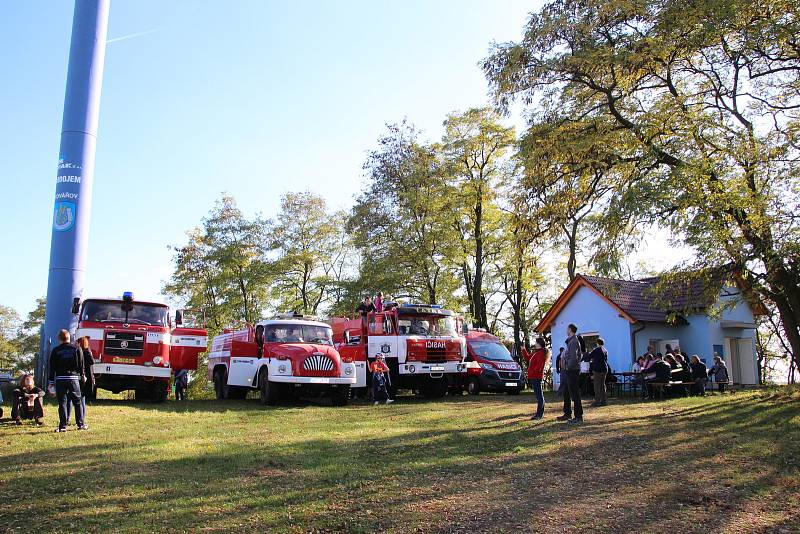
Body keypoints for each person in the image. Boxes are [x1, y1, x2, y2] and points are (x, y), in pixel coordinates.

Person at [48, 329, 86, 432]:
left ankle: (63, 426)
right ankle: (80, 424)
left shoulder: (56, 350)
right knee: (77, 401)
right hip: (73, 378)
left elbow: (52, 367)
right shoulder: (77, 348)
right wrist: (82, 375)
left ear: (59, 339)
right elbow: (81, 364)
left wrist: (51, 382)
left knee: (62, 402)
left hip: (60, 379)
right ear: (69, 338)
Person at [557, 324, 583, 423]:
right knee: (566, 392)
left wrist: (568, 367)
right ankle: (567, 413)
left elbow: (574, 357)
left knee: (575, 393)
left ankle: (578, 416)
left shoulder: (574, 341)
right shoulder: (570, 341)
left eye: (567, 329)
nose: (566, 330)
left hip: (572, 371)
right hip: (569, 370)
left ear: (570, 330)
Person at [523, 338, 549, 420]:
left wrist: (533, 372)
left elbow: (539, 366)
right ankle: (539, 414)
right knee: (538, 396)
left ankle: (539, 414)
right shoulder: (536, 352)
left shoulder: (541, 353)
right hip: (534, 376)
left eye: (536, 343)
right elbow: (527, 358)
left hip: (536, 377)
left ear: (539, 344)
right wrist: (523, 349)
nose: (535, 344)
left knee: (539, 396)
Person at [583, 338, 609, 407]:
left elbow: (589, 357)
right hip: (604, 369)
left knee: (597, 386)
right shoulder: (605, 350)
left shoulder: (596, 350)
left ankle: (597, 402)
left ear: (597, 343)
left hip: (598, 369)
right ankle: (604, 401)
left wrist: (586, 354)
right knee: (602, 385)